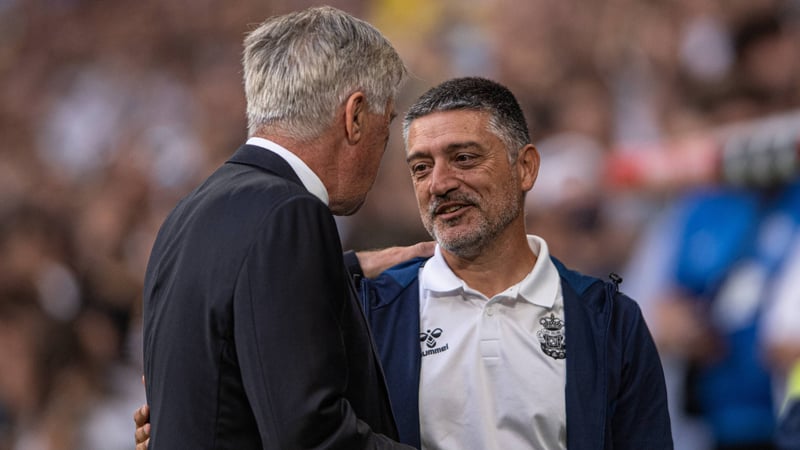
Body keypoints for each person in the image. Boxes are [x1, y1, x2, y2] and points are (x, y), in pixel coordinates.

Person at [137, 77, 672, 449]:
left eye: (464, 158)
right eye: (420, 167)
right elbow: (292, 426)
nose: (440, 183)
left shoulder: (609, 321)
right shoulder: (363, 311)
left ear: (526, 167)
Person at [140, 6, 416, 449]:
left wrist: (345, 269)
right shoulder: (291, 213)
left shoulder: (188, 212)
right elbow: (311, 436)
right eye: (388, 123)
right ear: (355, 115)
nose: (386, 146)